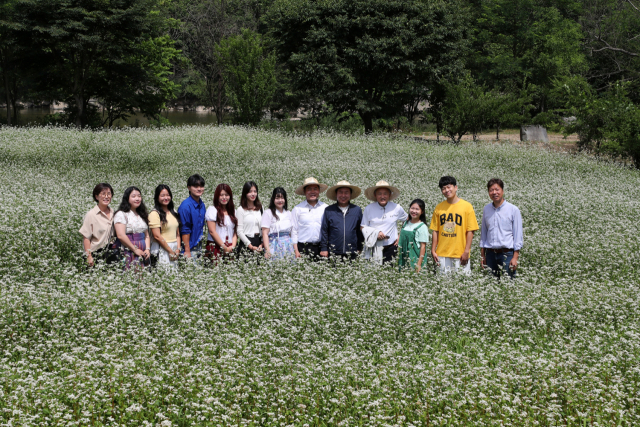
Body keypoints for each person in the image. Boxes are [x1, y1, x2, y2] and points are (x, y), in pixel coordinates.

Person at [429, 176, 479, 274]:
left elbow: (470, 231)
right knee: (443, 285)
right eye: (443, 188)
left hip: (460, 254)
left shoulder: (467, 206)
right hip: (442, 253)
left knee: (462, 284)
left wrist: (466, 251)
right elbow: (435, 230)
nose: (446, 190)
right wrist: (433, 250)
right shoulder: (439, 207)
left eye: (448, 187)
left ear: (455, 187)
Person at [480, 178, 523, 279]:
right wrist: (483, 255)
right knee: (491, 284)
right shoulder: (486, 209)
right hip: (490, 254)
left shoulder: (513, 209)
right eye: (491, 190)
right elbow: (484, 233)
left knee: (509, 284)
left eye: (497, 189)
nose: (494, 192)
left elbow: (518, 234)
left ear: (502, 191)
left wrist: (515, 257)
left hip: (507, 254)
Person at [361, 180, 408, 264]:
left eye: (385, 193)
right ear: (375, 195)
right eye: (379, 193)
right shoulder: (369, 208)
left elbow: (407, 220)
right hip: (374, 247)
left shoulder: (397, 208)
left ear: (389, 195)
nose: (382, 196)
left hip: (391, 247)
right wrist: (376, 233)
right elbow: (363, 227)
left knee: (390, 272)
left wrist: (400, 236)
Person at [320, 181, 364, 261]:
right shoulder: (329, 210)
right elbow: (324, 230)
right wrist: (324, 248)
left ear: (350, 195)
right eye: (340, 192)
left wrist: (359, 247)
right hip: (333, 252)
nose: (343, 195)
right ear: (336, 194)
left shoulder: (357, 210)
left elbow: (359, 231)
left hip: (352, 252)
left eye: (346, 193)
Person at [113, 186, 151, 271]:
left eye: (139, 196)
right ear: (127, 198)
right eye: (133, 196)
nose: (137, 199)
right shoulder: (121, 214)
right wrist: (135, 249)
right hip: (129, 249)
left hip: (143, 250)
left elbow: (147, 235)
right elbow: (121, 235)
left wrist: (147, 249)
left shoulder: (142, 214)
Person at [291, 177, 328, 260]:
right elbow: (294, 231)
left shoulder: (325, 208)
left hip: (321, 248)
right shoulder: (297, 209)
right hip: (303, 248)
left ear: (319, 191)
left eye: (315, 189)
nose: (312, 192)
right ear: (304, 192)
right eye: (309, 189)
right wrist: (296, 250)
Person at [79, 183, 115, 267]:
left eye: (109, 194)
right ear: (96, 197)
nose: (106, 196)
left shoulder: (113, 212)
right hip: (97, 253)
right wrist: (89, 256)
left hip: (112, 252)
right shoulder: (91, 214)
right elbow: (86, 237)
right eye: (103, 194)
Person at [149, 184, 181, 270]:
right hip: (162, 249)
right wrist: (170, 251)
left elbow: (177, 234)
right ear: (157, 197)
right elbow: (157, 236)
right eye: (162, 195)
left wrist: (178, 249)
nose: (166, 198)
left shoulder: (173, 211)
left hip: (174, 248)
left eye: (168, 195)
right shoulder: (154, 213)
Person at [205, 183, 238, 263]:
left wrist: (232, 246)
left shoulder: (233, 212)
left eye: (226, 195)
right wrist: (223, 247)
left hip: (230, 247)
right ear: (217, 196)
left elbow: (235, 232)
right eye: (221, 195)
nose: (224, 198)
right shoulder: (212, 210)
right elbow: (212, 231)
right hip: (215, 246)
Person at [178, 174, 206, 262]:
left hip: (199, 246)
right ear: (189, 188)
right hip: (190, 248)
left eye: (201, 186)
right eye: (196, 186)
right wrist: (187, 251)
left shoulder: (202, 205)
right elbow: (185, 229)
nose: (199, 189)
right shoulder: (185, 206)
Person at [261, 187, 294, 260]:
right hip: (274, 244)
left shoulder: (288, 213)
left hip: (288, 245)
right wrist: (267, 251)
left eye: (282, 198)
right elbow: (265, 233)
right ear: (273, 199)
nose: (280, 200)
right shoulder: (268, 213)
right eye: (277, 198)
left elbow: (291, 233)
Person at [398, 199, 430, 273]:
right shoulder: (406, 223)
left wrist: (419, 264)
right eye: (412, 208)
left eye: (417, 209)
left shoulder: (422, 227)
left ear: (422, 212)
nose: (414, 211)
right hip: (403, 256)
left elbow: (423, 246)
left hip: (415, 257)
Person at [236, 181, 264, 255]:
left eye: (255, 191)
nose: (253, 194)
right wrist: (250, 246)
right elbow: (239, 231)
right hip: (246, 243)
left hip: (259, 242)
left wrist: (262, 244)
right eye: (250, 191)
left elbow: (263, 227)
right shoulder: (241, 210)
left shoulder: (261, 208)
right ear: (245, 193)